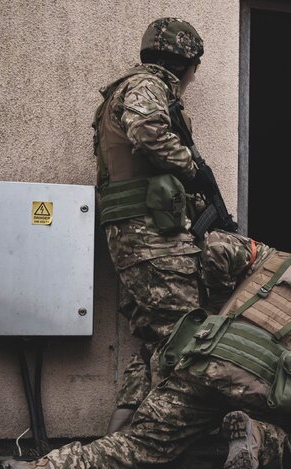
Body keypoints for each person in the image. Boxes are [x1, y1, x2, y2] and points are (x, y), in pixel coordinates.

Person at [1, 217, 291, 469]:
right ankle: (256, 435)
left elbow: (215, 246)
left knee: (133, 447)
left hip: (203, 366)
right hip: (259, 392)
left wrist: (216, 305)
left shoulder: (267, 258)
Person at [93, 18, 210, 433]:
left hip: (136, 236)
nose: (193, 78)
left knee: (158, 339)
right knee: (186, 335)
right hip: (150, 237)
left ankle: (119, 435)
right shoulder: (147, 85)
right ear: (182, 63)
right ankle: (156, 441)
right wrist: (193, 169)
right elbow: (147, 132)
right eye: (193, 68)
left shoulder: (127, 91)